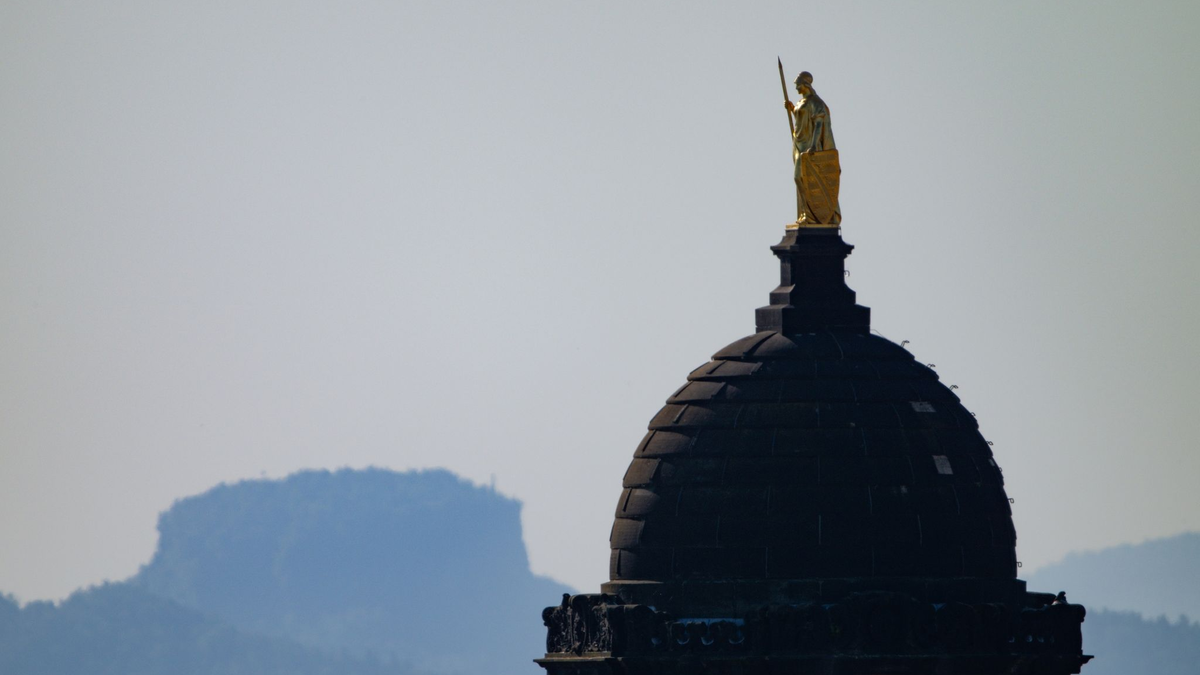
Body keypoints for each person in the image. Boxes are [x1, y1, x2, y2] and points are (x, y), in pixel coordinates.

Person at [785, 71, 841, 226]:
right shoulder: (801, 103)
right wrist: (792, 109)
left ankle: (811, 215)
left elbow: (818, 125)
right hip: (799, 145)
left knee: (801, 178)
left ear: (805, 84)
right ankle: (805, 214)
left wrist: (814, 145)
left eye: (797, 84)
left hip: (809, 148)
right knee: (800, 179)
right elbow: (802, 122)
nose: (796, 87)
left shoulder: (816, 103)